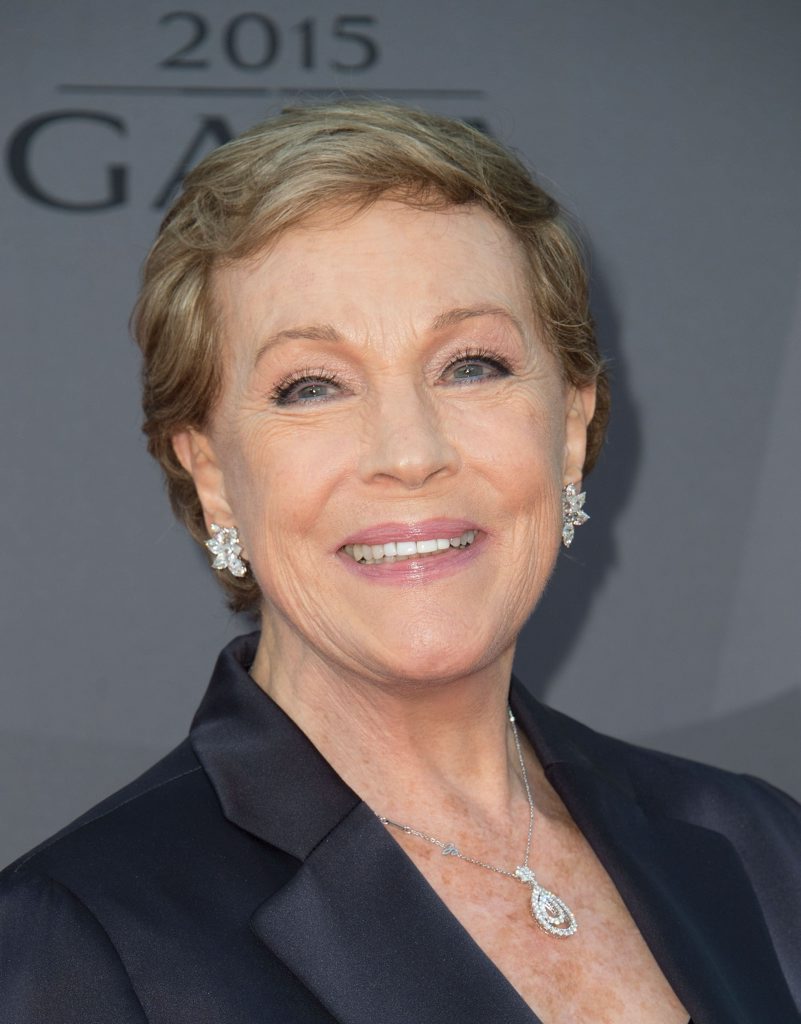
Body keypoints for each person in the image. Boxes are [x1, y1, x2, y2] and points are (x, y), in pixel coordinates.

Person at [1, 100, 799, 1024]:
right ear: (211, 474)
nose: (410, 452)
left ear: (570, 429)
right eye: (312, 386)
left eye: (470, 366)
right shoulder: (75, 939)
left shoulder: (759, 846)